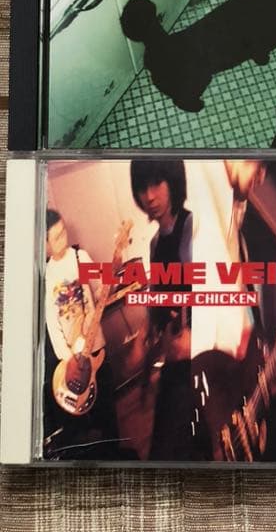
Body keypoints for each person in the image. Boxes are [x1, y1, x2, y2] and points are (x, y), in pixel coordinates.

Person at [130, 160, 194, 460]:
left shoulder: (192, 227)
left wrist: (195, 337)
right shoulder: (155, 244)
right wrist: (145, 334)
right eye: (142, 188)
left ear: (173, 181)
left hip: (198, 360)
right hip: (173, 360)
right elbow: (157, 298)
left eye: (156, 183)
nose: (149, 196)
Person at [44, 208, 120, 458]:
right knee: (82, 419)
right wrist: (68, 359)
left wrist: (110, 281)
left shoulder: (80, 257)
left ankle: (116, 454)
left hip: (95, 347)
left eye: (64, 232)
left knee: (108, 410)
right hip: (72, 361)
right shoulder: (47, 276)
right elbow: (52, 324)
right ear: (45, 245)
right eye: (56, 237)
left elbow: (99, 291)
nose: (63, 239)